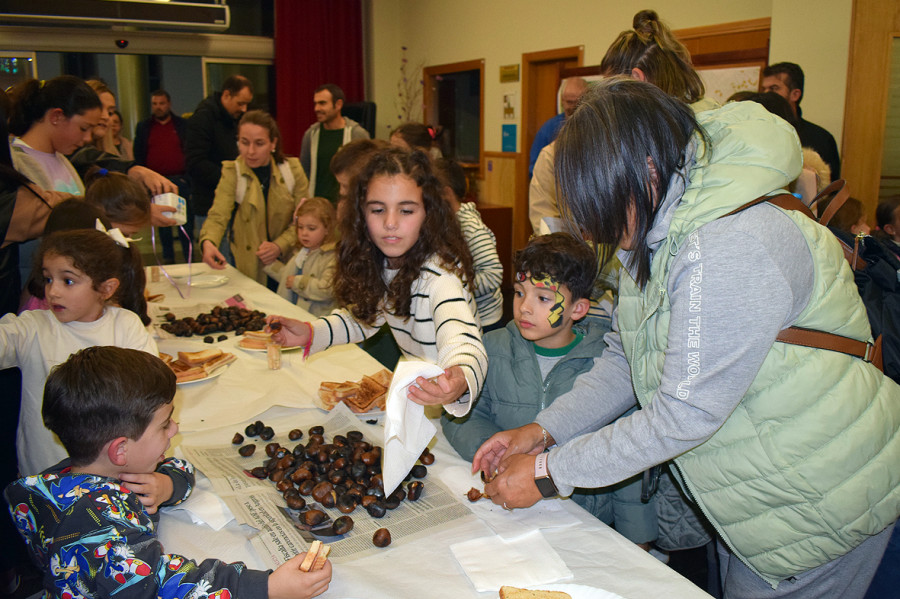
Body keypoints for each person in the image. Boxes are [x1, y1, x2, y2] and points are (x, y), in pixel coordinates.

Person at [473, 77, 900, 598]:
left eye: (602, 207)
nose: (598, 231)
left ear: (647, 170)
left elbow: (682, 414)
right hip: (755, 488)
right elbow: (627, 356)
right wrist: (542, 430)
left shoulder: (728, 243)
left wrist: (546, 473)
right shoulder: (662, 218)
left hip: (818, 499)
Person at [4, 345, 333, 599]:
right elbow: (160, 585)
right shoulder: (93, 525)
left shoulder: (97, 471)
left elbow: (179, 467)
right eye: (164, 425)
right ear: (120, 450)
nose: (175, 430)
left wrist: (166, 484)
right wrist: (267, 586)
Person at [443, 233, 657, 547]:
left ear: (578, 309)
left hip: (582, 524)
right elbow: (459, 417)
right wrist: (496, 453)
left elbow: (629, 459)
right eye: (519, 293)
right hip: (506, 512)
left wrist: (639, 538)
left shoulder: (608, 368)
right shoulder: (492, 348)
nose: (524, 308)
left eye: (543, 298)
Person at [269, 147, 487, 414]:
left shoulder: (439, 276)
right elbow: (365, 319)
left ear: (429, 214)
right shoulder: (385, 263)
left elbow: (460, 335)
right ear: (361, 214)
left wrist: (460, 373)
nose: (390, 222)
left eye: (406, 211)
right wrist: (313, 332)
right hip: (427, 396)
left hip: (459, 400)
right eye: (378, 210)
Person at [0, 228, 158, 476]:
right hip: (46, 478)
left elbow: (151, 390)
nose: (53, 292)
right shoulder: (32, 327)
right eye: (48, 278)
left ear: (106, 288)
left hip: (114, 476)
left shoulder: (125, 326)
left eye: (68, 281)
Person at [200, 110, 308, 286]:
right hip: (248, 266)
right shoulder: (232, 172)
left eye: (259, 143)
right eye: (244, 142)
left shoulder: (293, 171)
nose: (250, 151)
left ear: (273, 143)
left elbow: (305, 220)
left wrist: (280, 245)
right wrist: (208, 242)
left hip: (287, 263)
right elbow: (218, 215)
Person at [433, 158, 504, 331]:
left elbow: (493, 274)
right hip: (463, 314)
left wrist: (458, 289)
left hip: (485, 320)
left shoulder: (471, 228)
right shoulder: (443, 222)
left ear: (446, 193)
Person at [186, 75, 253, 236]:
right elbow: (195, 163)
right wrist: (230, 179)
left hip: (235, 203)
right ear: (226, 95)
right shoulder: (203, 119)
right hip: (210, 203)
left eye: (246, 104)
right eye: (240, 103)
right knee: (218, 257)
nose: (244, 109)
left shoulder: (233, 119)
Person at [134, 89, 192, 262]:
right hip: (156, 183)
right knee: (163, 224)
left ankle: (189, 258)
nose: (158, 107)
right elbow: (139, 154)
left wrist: (187, 178)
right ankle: (168, 260)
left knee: (185, 223)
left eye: (161, 103)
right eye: (154, 104)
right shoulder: (144, 127)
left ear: (169, 104)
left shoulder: (181, 125)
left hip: (180, 180)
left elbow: (189, 152)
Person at [762, 62, 841, 181]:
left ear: (795, 94)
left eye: (774, 88)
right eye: (764, 89)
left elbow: (831, 190)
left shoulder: (820, 138)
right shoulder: (757, 132)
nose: (766, 94)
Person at [266, 197, 338, 317]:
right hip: (294, 312)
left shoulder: (332, 257)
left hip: (314, 318)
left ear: (327, 228)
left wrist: (298, 283)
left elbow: (327, 289)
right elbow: (288, 277)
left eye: (311, 228)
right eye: (300, 227)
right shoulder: (302, 251)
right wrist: (269, 265)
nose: (304, 233)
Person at [300, 84, 370, 203]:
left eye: (322, 103)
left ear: (338, 105)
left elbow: (367, 173)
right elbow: (304, 172)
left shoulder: (357, 134)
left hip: (346, 204)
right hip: (318, 205)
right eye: (315, 103)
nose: (317, 108)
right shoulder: (311, 135)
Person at [528, 77, 587, 177]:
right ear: (562, 101)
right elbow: (534, 168)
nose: (572, 107)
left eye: (576, 102)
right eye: (569, 102)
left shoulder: (594, 127)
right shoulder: (548, 129)